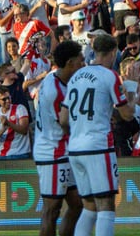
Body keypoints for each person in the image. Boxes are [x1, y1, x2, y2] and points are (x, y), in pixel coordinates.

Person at [63, 33, 135, 236]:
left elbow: (63, 118)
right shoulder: (109, 75)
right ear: (113, 52)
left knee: (89, 206)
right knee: (106, 205)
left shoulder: (76, 76)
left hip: (75, 148)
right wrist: (131, 87)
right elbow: (127, 114)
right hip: (98, 146)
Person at [37, 40, 85, 236]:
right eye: (81, 61)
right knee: (52, 208)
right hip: (53, 151)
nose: (83, 64)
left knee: (78, 203)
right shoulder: (56, 91)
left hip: (64, 150)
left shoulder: (55, 79)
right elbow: (65, 124)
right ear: (70, 63)